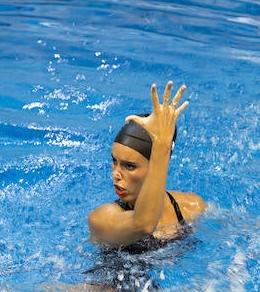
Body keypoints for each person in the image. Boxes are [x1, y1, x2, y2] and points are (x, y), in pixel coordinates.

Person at [88, 81, 206, 251]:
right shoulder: (102, 218)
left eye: (129, 166)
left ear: (156, 165)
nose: (116, 174)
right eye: (114, 161)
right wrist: (162, 146)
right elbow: (143, 225)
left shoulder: (190, 206)